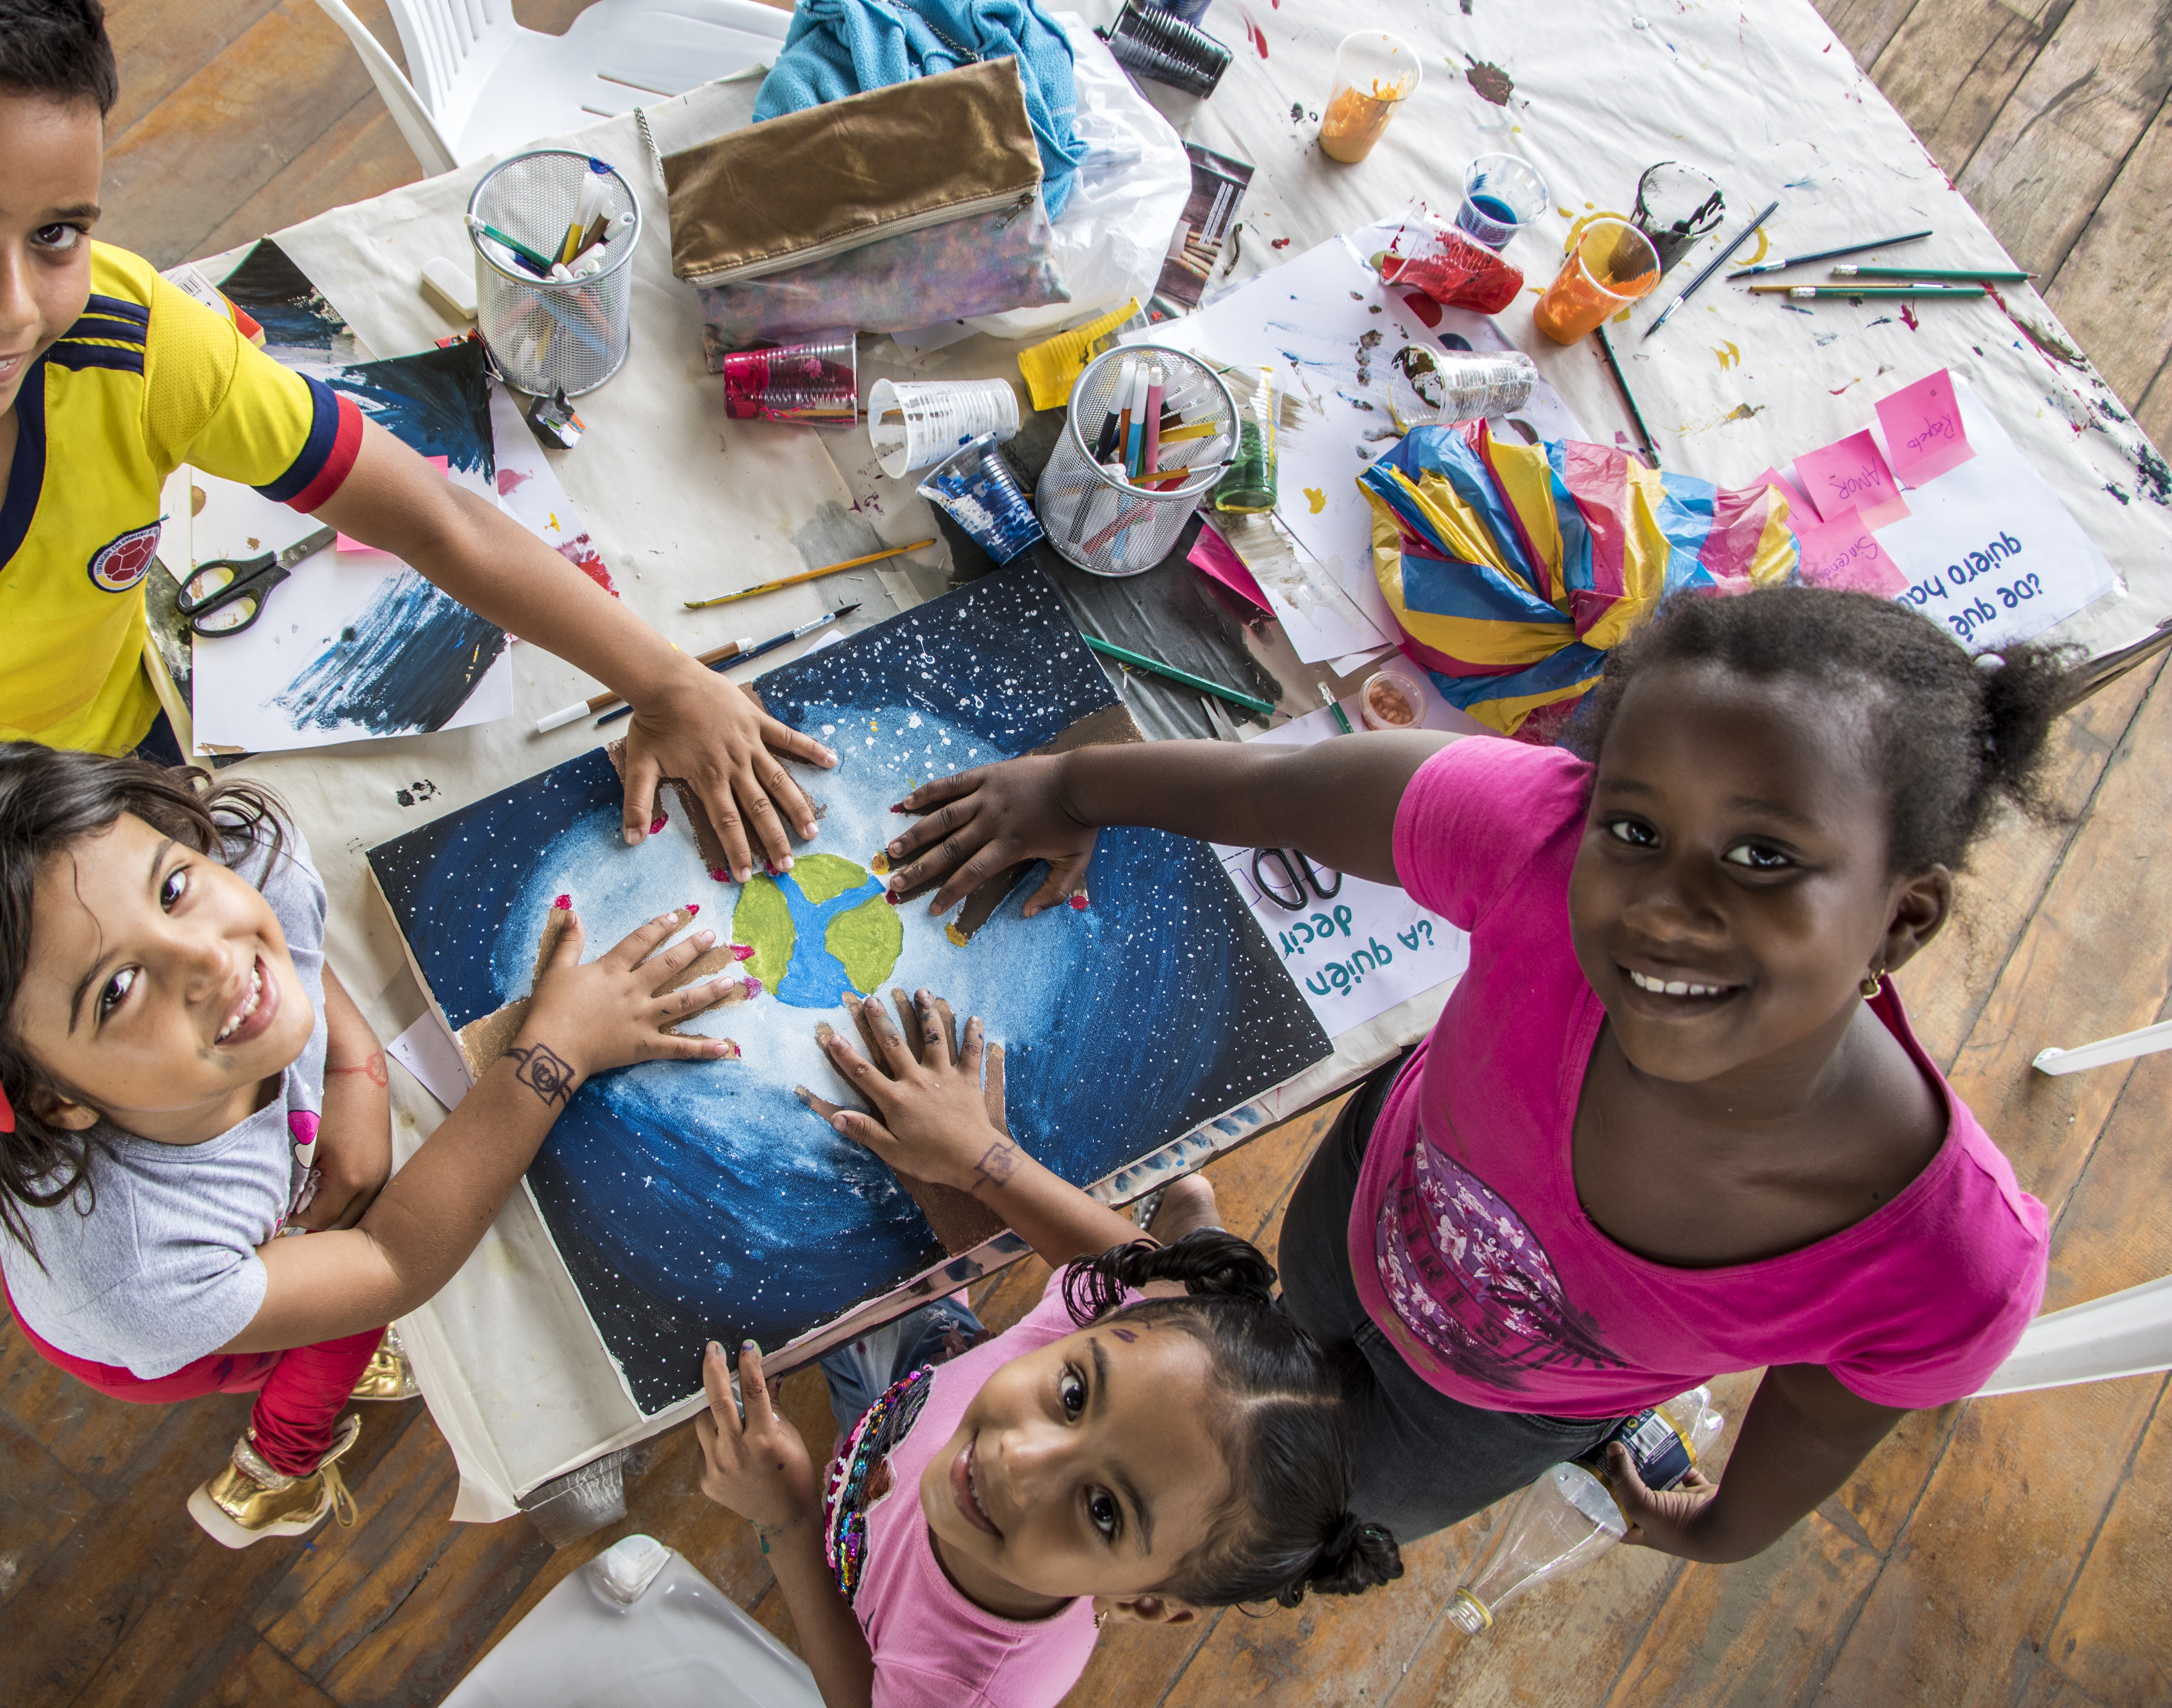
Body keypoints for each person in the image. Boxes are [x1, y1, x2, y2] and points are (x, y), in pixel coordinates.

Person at [872, 585, 2063, 1562]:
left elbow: (1819, 1406)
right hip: (1354, 1228)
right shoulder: (1535, 840)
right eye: (1635, 830)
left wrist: (1728, 1532)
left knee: (1302, 1518)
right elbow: (1279, 796)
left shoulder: (1946, 1264)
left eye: (1762, 856)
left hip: (1481, 1419)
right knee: (1274, 1343)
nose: (1666, 909)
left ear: (1902, 921)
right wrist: (1074, 787)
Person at [0, 0, 825, 874]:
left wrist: (667, 678)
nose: (12, 306)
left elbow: (436, 513)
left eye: (57, 232)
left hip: (108, 739)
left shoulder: (134, 348)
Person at [0, 740, 757, 1546]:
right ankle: (281, 1469)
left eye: (175, 886)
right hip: (181, 1336)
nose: (213, 956)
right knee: (329, 1332)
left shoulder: (239, 856)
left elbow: (293, 940)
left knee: (332, 1284)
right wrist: (555, 1050)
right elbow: (390, 1261)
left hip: (276, 1207)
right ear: (51, 1099)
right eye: (116, 990)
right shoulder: (132, 1276)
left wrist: (357, 1067)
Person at [694, 989, 1400, 1708]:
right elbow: (1142, 1276)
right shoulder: (1135, 1345)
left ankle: (1198, 1232)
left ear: (1148, 1604)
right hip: (920, 1384)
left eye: (1103, 1510)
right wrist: (980, 1154)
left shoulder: (973, 1687)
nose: (1018, 1460)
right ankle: (1198, 1231)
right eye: (1072, 1397)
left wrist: (783, 1521)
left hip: (852, 1519)